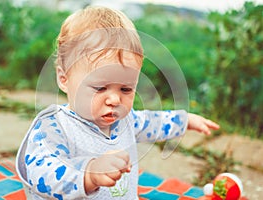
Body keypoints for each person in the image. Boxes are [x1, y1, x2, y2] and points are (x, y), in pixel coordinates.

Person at [16, 6, 220, 200]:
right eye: (100, 88)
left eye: (126, 89)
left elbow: (152, 123)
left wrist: (184, 121)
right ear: (64, 79)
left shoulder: (124, 121)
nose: (114, 100)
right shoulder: (54, 127)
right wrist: (89, 174)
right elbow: (41, 173)